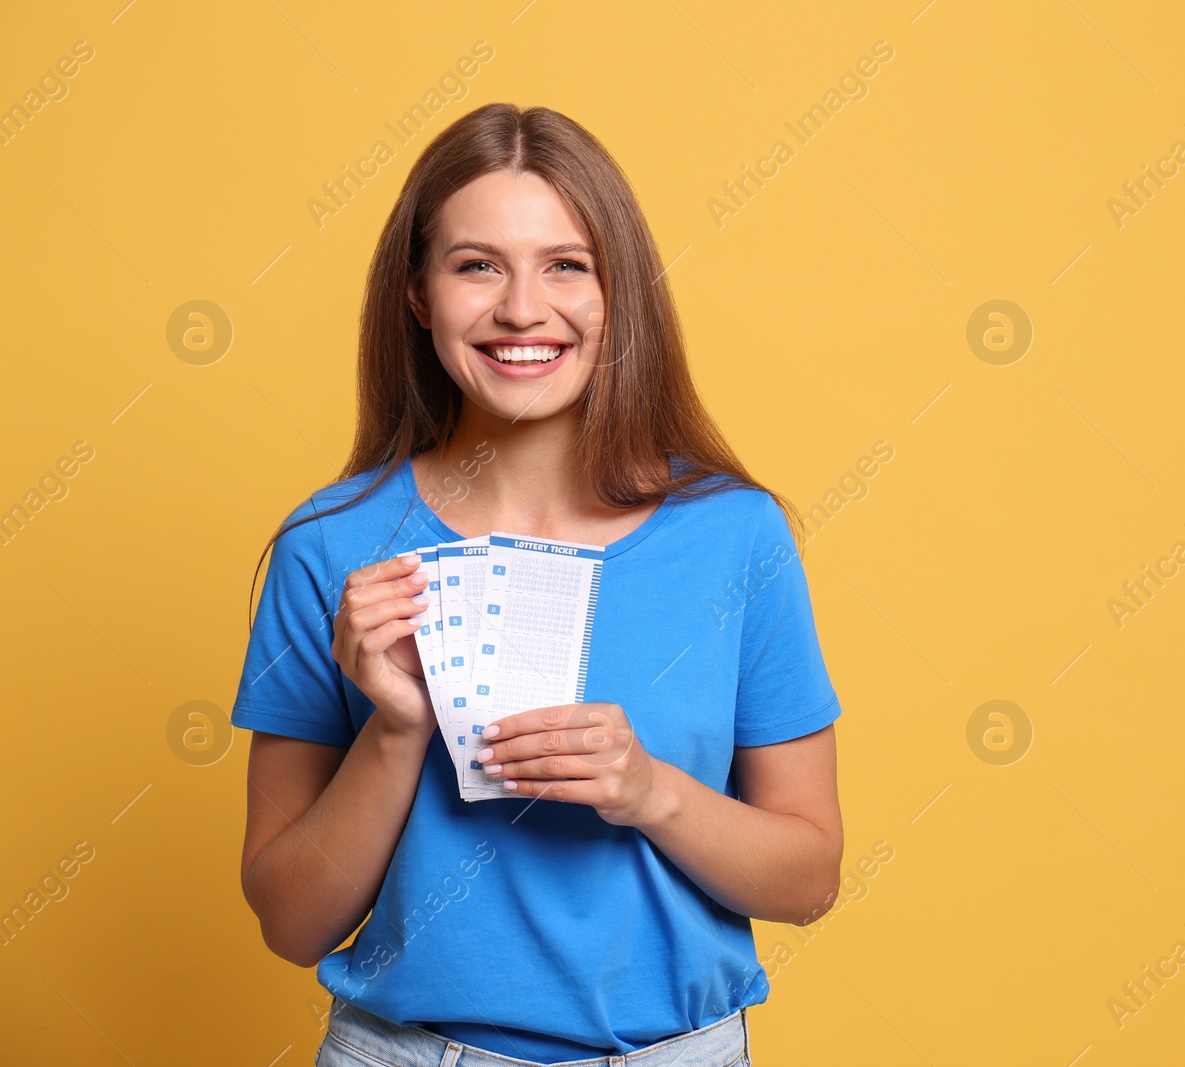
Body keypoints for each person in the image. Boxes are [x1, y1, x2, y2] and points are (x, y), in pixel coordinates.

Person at [231, 103, 844, 1067]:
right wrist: (397, 728)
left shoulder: (735, 536)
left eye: (567, 264)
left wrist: (650, 792)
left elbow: (810, 879)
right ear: (418, 295)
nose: (523, 309)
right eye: (477, 265)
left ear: (619, 295)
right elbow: (290, 923)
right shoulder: (333, 545)